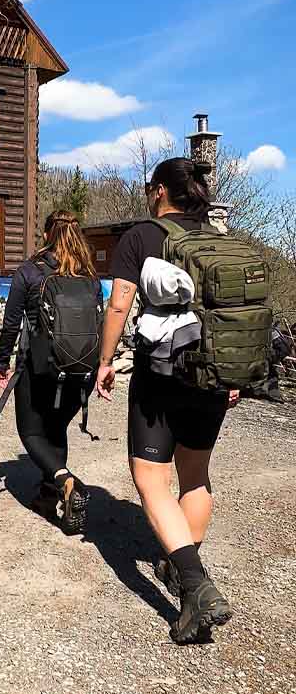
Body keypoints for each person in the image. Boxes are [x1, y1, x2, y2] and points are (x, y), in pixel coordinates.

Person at [96, 157, 234, 645]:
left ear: (158, 191)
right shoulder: (222, 238)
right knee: (195, 474)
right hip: (216, 375)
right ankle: (183, 567)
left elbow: (119, 304)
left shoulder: (141, 236)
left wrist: (105, 360)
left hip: (161, 375)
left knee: (151, 478)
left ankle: (194, 585)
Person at [0, 211, 101, 534]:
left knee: (31, 433)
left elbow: (11, 322)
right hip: (82, 369)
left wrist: (2, 363)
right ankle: (47, 497)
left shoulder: (29, 271)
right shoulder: (89, 275)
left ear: (45, 236)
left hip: (38, 367)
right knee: (56, 430)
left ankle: (66, 481)